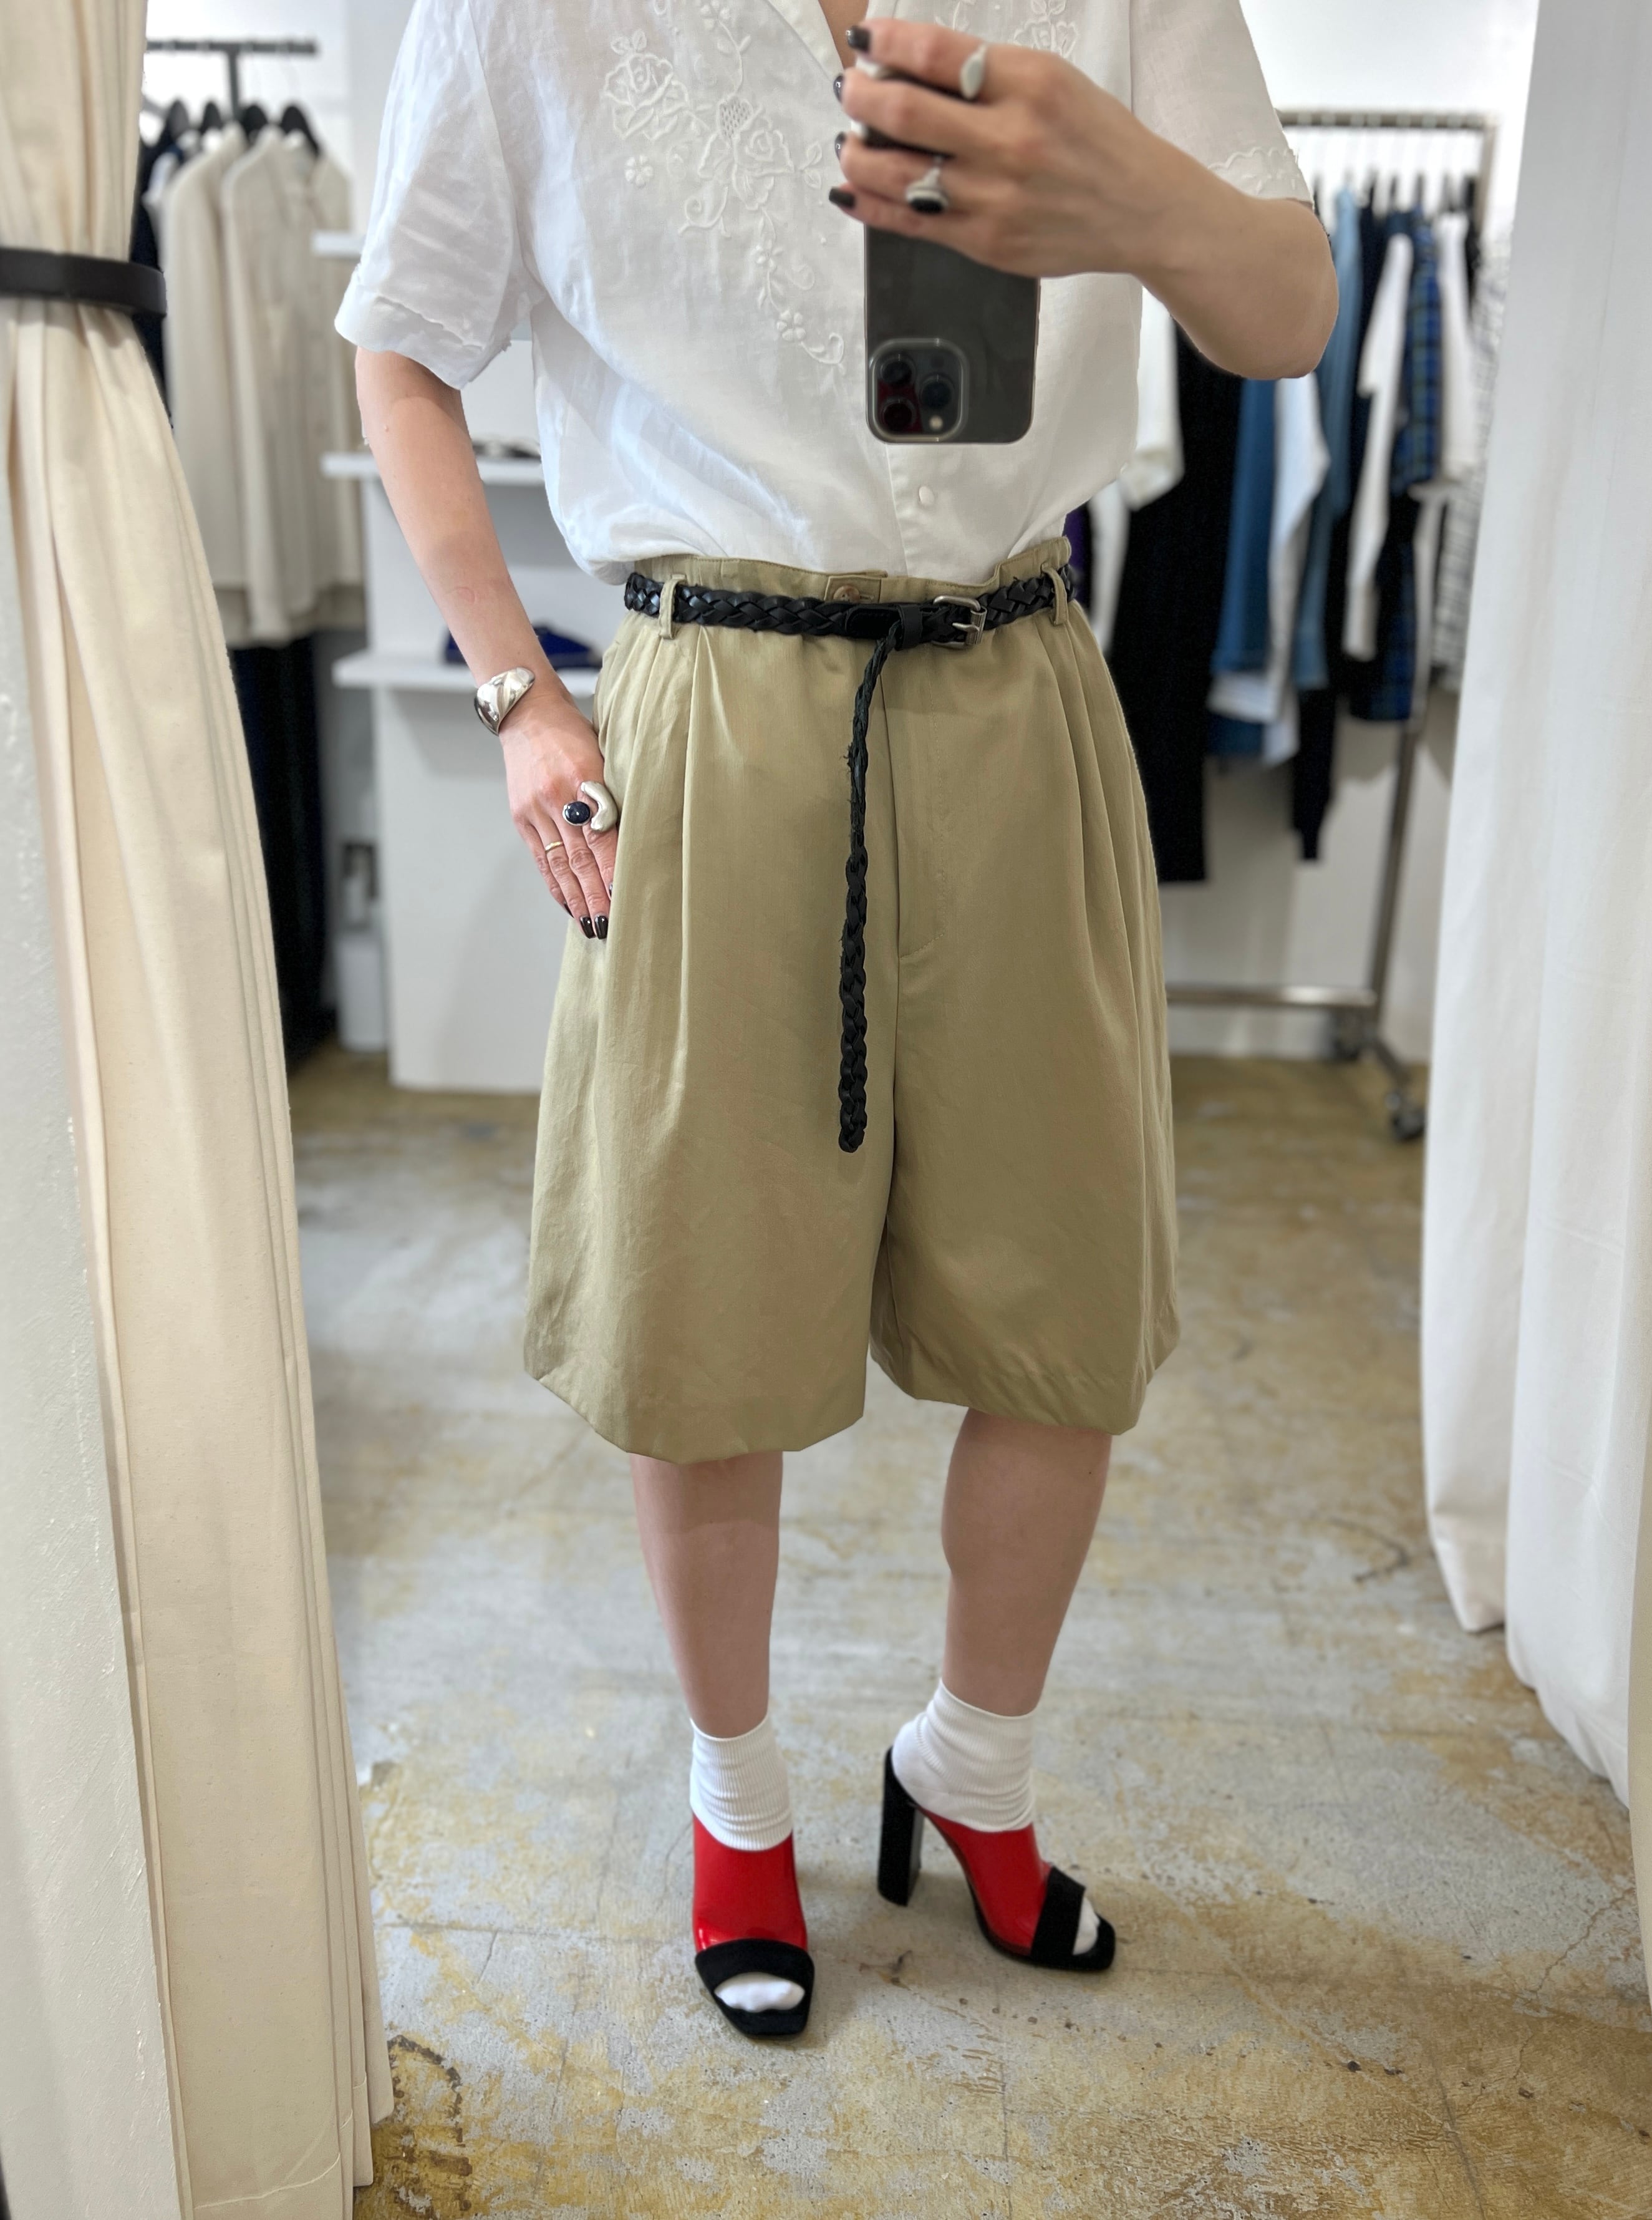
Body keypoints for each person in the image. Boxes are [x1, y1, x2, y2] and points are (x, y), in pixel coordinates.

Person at [342, 0, 1335, 2041]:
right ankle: (736, 1802)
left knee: (1062, 1304)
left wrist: (1125, 193)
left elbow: (1291, 315)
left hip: (1019, 676)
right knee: (703, 1311)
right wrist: (520, 692)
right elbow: (404, 343)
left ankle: (976, 1766)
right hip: (711, 708)